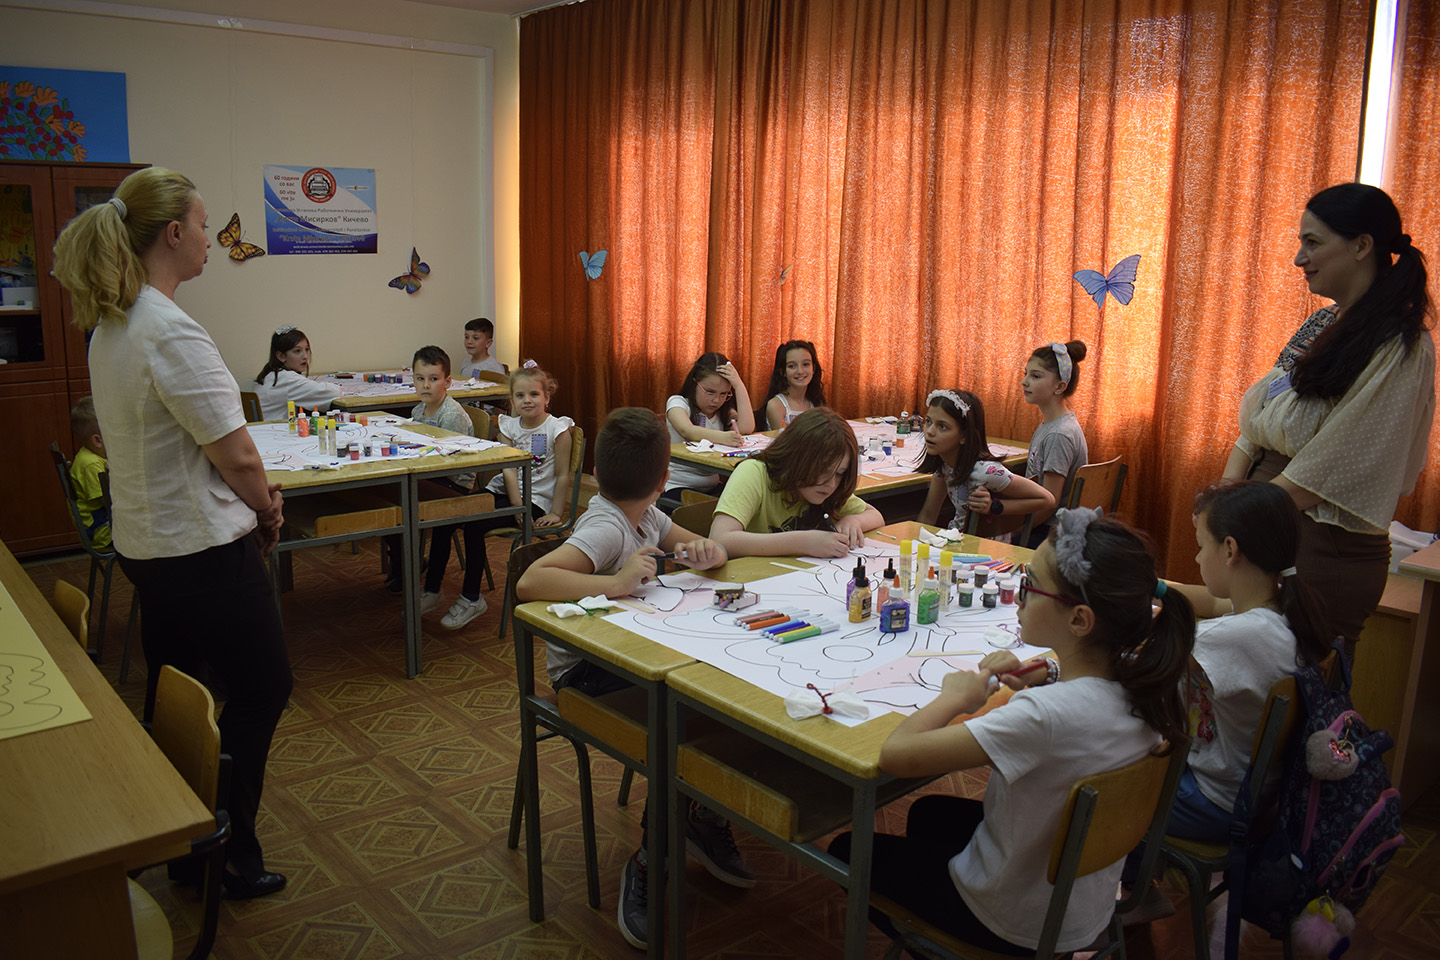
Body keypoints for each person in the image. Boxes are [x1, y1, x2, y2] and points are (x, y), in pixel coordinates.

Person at [51, 167, 292, 899]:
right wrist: (267, 510)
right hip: (200, 548)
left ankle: (186, 841)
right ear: (175, 233)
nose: (213, 240)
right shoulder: (169, 329)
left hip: (150, 548)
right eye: (206, 225)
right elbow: (237, 454)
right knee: (262, 689)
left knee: (179, 694)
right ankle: (228, 852)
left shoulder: (113, 326)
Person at [828, 508, 1195, 953]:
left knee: (846, 849)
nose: (1019, 597)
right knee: (928, 815)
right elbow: (1083, 690)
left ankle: (937, 947)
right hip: (1082, 902)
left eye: (1029, 586)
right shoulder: (1154, 681)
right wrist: (1048, 670)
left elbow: (896, 756)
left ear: (1080, 620)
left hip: (1013, 921)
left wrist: (955, 698)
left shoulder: (1043, 716)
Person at [516, 407, 749, 950]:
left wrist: (706, 551)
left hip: (633, 657)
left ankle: (698, 816)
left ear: (600, 469)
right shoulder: (605, 527)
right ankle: (651, 857)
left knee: (718, 700)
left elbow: (696, 543)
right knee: (683, 724)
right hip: (584, 675)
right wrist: (616, 583)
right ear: (664, 477)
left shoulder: (650, 517)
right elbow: (531, 582)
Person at [1224, 183, 1435, 649]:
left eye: (1313, 242)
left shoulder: (1401, 345)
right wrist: (1226, 493)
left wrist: (1236, 514)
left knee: (1296, 683)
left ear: (1362, 246)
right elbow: (1262, 411)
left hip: (1317, 541)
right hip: (1268, 519)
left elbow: (1333, 465)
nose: (1299, 258)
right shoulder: (1322, 323)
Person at [710, 407, 884, 558]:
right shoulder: (755, 472)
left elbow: (875, 515)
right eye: (823, 470)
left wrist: (853, 521)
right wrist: (803, 543)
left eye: (839, 474)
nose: (831, 484)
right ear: (797, 457)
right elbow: (720, 539)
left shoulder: (825, 489)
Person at [914, 388, 1053, 539]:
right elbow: (928, 515)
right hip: (956, 541)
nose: (930, 431)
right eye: (928, 421)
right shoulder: (944, 465)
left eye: (942, 426)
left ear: (964, 435)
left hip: (983, 548)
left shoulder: (986, 471)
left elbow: (1047, 499)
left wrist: (995, 506)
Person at [1018, 341, 1089, 546]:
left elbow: (1050, 503)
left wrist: (1015, 531)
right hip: (1043, 526)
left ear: (1059, 386)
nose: (1024, 382)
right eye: (1026, 374)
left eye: (1035, 376)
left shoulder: (1059, 434)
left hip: (1048, 533)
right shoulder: (1053, 424)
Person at [663, 352, 755, 503]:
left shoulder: (722, 412)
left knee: (747, 500)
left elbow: (746, 428)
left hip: (712, 487)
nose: (716, 400)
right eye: (710, 392)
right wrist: (724, 437)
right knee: (714, 511)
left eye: (724, 394)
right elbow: (687, 431)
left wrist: (739, 385)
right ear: (694, 384)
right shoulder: (678, 403)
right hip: (677, 485)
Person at [250, 325, 341, 421]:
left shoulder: (270, 374)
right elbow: (332, 393)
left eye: (306, 349)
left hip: (262, 427)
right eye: (297, 351)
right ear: (281, 356)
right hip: (273, 428)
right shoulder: (288, 379)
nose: (305, 356)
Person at [68, 396, 112, 549]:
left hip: (101, 526)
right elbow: (107, 502)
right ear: (98, 440)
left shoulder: (90, 455)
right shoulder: (91, 465)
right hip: (102, 532)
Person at [763, 339, 826, 430]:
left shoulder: (816, 402)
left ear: (814, 368)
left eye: (806, 364)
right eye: (792, 366)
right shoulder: (776, 405)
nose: (800, 371)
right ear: (782, 371)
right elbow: (785, 437)